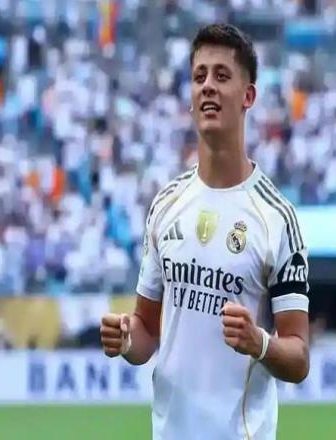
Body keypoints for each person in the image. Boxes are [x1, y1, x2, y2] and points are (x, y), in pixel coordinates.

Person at [100, 23, 310, 440]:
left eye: (221, 75)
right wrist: (125, 339)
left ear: (248, 96)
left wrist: (259, 342)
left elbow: (299, 357)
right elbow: (146, 333)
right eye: (199, 77)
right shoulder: (166, 204)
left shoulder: (277, 218)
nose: (208, 86)